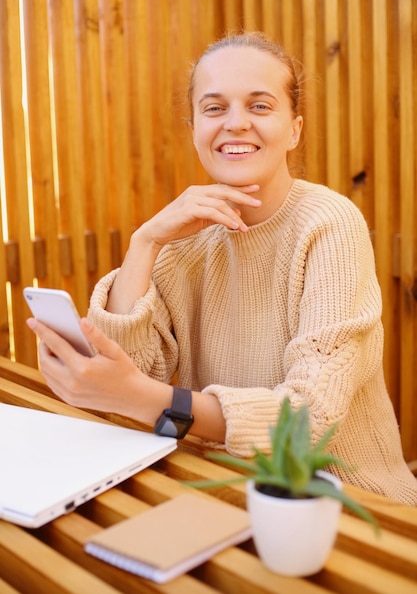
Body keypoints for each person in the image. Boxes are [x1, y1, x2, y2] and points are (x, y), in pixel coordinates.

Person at [28, 31, 417, 504]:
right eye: (214, 109)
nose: (235, 124)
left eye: (259, 106)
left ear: (293, 129)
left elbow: (309, 418)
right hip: (218, 492)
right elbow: (132, 382)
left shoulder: (328, 224)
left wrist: (138, 395)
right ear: (193, 128)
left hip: (345, 504)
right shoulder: (183, 239)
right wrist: (145, 242)